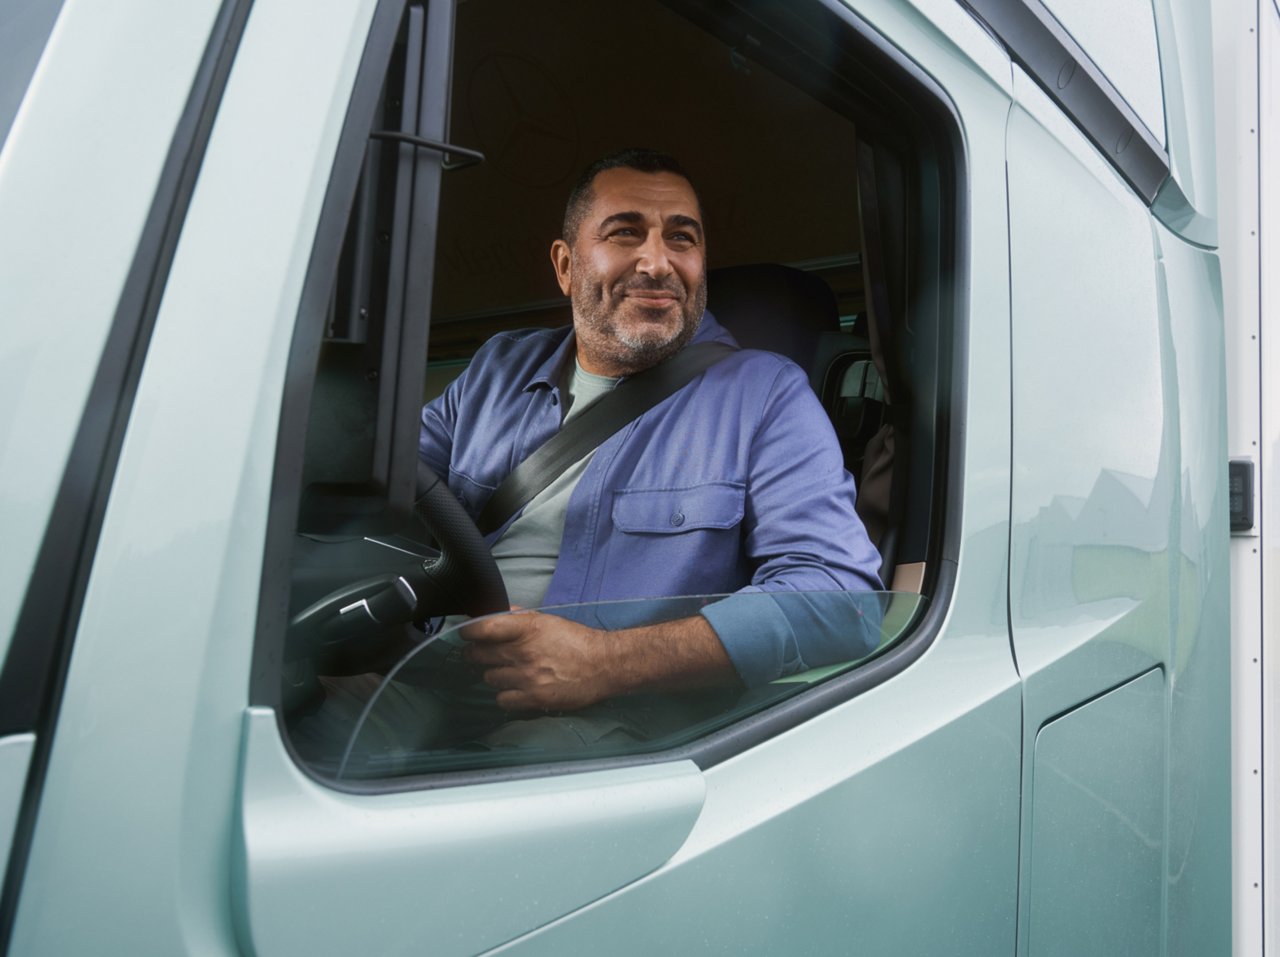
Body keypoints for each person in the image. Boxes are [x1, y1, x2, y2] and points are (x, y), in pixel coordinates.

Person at [416, 148, 883, 721]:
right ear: (565, 266)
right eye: (625, 233)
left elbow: (842, 601)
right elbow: (386, 493)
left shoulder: (766, 395)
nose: (658, 262)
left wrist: (602, 662)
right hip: (427, 690)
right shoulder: (497, 368)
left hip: (609, 737)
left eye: (682, 238)